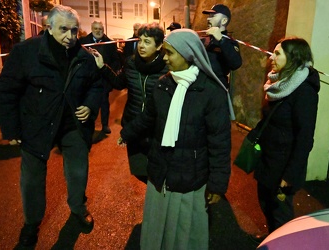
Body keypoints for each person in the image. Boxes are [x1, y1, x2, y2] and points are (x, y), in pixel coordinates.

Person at [0, 5, 102, 249]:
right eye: (64, 29)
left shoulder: (83, 56)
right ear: (48, 27)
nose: (70, 37)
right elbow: (7, 92)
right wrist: (11, 130)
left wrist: (90, 105)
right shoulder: (25, 52)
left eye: (75, 31)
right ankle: (31, 225)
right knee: (32, 180)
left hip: (72, 124)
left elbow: (96, 85)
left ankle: (78, 207)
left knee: (77, 172)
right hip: (36, 125)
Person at [117, 29, 232, 250]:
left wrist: (217, 185)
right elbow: (148, 117)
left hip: (190, 177)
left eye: (170, 53)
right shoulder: (164, 84)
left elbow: (220, 142)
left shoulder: (210, 91)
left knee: (183, 234)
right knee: (158, 227)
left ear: (188, 54)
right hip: (161, 171)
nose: (165, 58)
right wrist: (126, 133)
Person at [250, 37, 320, 242]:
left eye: (278, 53)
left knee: (281, 212)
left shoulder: (304, 91)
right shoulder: (278, 84)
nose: (272, 57)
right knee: (265, 203)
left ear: (293, 57)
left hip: (284, 165)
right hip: (268, 159)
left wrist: (289, 175)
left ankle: (285, 243)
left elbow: (305, 137)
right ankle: (273, 239)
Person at [92, 22, 168, 183]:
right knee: (139, 170)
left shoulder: (167, 67)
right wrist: (102, 67)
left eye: (147, 42)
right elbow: (119, 83)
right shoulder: (131, 63)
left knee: (159, 172)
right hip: (133, 124)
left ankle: (157, 205)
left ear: (159, 45)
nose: (141, 45)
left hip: (157, 128)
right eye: (140, 40)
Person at [80, 21, 121, 134]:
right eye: (96, 29)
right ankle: (89, 125)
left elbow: (115, 60)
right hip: (88, 78)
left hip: (104, 78)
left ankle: (105, 125)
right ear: (91, 29)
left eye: (100, 29)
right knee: (89, 102)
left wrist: (109, 71)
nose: (98, 31)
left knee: (104, 103)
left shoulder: (110, 43)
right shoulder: (83, 42)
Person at [202, 4, 242, 88]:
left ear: (224, 21)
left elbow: (236, 63)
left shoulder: (229, 42)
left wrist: (221, 40)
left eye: (213, 16)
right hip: (201, 86)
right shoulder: (205, 40)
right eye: (209, 15)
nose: (208, 18)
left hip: (217, 88)